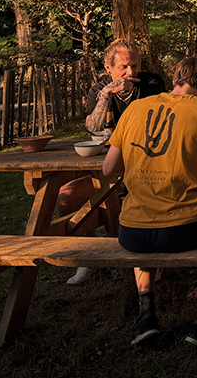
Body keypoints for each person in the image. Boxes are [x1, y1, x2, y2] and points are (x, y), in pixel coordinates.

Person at [103, 55, 197, 347]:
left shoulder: (135, 108)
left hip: (130, 232)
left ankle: (146, 317)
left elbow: (108, 169)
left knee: (146, 220)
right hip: (181, 228)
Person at [63, 40, 166, 286]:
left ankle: (152, 260)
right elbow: (93, 128)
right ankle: (88, 259)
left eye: (135, 66)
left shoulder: (152, 84)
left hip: (145, 161)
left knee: (132, 196)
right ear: (108, 67)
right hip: (106, 162)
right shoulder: (98, 89)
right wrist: (105, 96)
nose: (131, 73)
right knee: (66, 199)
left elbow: (154, 124)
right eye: (124, 67)